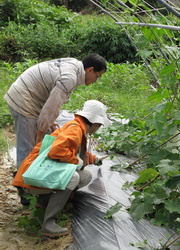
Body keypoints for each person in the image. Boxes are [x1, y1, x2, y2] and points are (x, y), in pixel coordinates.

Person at [12, 100, 111, 238]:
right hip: (31, 178)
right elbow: (57, 151)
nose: (99, 127)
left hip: (39, 172)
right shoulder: (75, 130)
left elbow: (74, 152)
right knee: (73, 177)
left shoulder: (78, 128)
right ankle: (48, 223)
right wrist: (77, 161)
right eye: (99, 124)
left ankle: (45, 201)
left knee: (85, 176)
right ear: (94, 122)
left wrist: (93, 159)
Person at [4, 53, 107, 170]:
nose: (96, 80)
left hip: (31, 96)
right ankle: (23, 181)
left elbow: (52, 103)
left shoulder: (74, 66)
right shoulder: (69, 78)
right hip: (24, 99)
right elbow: (51, 108)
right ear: (90, 70)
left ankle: (32, 173)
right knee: (29, 144)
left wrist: (48, 123)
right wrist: (40, 132)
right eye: (97, 76)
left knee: (43, 135)